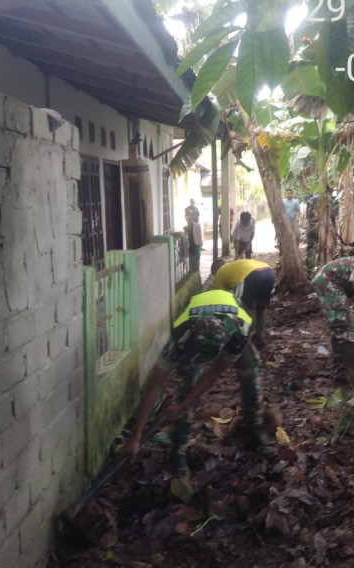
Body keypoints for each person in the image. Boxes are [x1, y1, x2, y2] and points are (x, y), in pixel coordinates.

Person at [124, 289, 264, 498]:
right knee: (187, 388)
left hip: (234, 316)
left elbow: (215, 372)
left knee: (250, 376)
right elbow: (155, 385)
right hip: (199, 317)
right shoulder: (180, 335)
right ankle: (178, 457)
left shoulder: (239, 332)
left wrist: (182, 405)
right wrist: (136, 436)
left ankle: (256, 430)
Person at [211, 258, 275, 346]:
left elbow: (221, 298)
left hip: (252, 276)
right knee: (261, 306)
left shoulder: (219, 273)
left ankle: (246, 339)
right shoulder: (234, 266)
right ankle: (261, 336)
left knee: (242, 308)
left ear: (214, 272)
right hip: (269, 272)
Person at [184, 199, 202, 272]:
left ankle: (196, 258)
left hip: (196, 227)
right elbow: (187, 218)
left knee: (197, 243)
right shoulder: (187, 209)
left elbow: (197, 217)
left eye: (194, 202)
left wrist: (196, 224)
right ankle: (192, 258)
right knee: (192, 243)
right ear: (190, 202)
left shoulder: (196, 209)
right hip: (191, 227)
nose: (193, 203)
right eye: (192, 202)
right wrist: (191, 224)